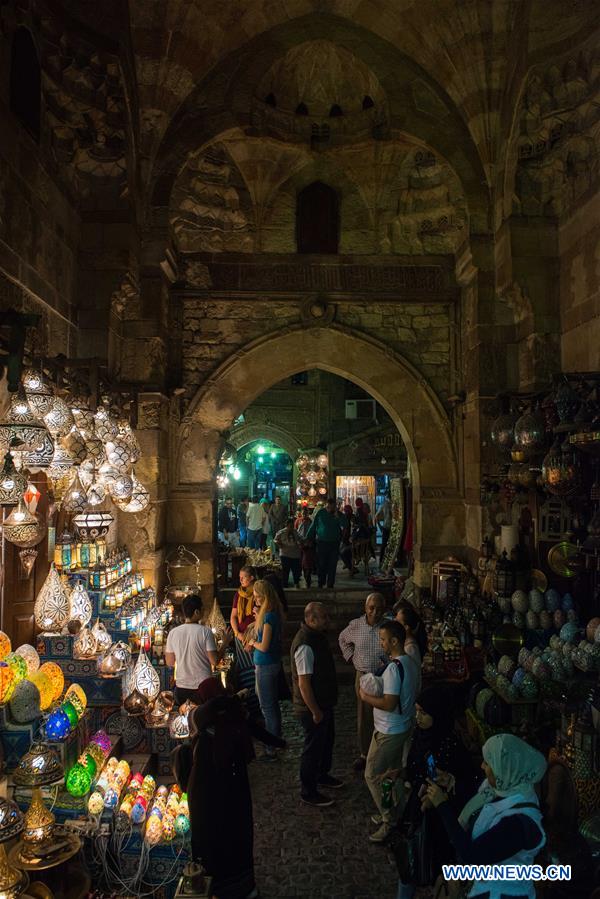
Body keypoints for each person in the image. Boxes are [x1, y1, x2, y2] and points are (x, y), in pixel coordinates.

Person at [187, 678, 285, 899]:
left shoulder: (206, 723)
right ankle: (244, 887)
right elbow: (258, 732)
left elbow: (195, 716)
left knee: (215, 840)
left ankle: (217, 888)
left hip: (209, 795)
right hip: (236, 791)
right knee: (238, 837)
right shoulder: (234, 718)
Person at [426, 733, 547, 899]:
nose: (482, 766)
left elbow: (472, 855)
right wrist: (450, 783)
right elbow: (477, 810)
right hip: (485, 887)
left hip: (504, 894)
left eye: (488, 763)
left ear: (505, 769)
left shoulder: (519, 822)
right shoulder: (501, 788)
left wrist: (442, 806)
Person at [394, 685, 480, 899]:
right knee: (410, 866)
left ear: (438, 714)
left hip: (441, 820)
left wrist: (446, 788)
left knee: (437, 869)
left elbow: (466, 785)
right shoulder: (421, 735)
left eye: (423, 713)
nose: (418, 717)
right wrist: (400, 773)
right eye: (416, 711)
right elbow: (418, 768)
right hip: (419, 810)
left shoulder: (451, 746)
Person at [360, 619, 418, 843]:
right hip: (401, 726)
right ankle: (399, 811)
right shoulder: (410, 662)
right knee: (391, 775)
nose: (381, 643)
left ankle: (389, 820)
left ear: (394, 641)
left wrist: (365, 697)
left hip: (389, 730)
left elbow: (389, 703)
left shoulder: (394, 669)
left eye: (383, 639)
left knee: (372, 774)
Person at [290, 601, 343, 807]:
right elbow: (304, 683)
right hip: (313, 708)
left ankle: (322, 774)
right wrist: (315, 711)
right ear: (311, 620)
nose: (327, 620)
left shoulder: (315, 637)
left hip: (323, 702)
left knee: (326, 741)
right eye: (324, 617)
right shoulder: (305, 644)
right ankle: (308, 790)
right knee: (312, 749)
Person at [338, 593, 387, 771]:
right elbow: (342, 639)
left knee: (383, 714)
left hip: (384, 676)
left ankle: (381, 752)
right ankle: (365, 753)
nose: (375, 612)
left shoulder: (388, 626)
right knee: (364, 716)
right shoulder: (356, 625)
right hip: (364, 676)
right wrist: (351, 658)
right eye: (371, 608)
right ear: (365, 608)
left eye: (379, 609)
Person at [165, 594, 231, 705]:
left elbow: (170, 662)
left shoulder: (173, 633)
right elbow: (214, 661)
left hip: (182, 689)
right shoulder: (205, 632)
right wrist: (225, 643)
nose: (204, 611)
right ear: (196, 612)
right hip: (203, 688)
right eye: (203, 609)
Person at [245, 579, 284, 758]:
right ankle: (275, 739)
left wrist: (253, 642)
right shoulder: (270, 614)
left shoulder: (268, 617)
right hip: (269, 664)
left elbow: (265, 645)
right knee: (271, 705)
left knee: (267, 706)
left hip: (266, 665)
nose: (255, 599)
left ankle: (271, 746)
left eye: (257, 596)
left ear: (264, 596)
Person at [229, 566, 260, 714]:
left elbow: (260, 619)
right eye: (240, 577)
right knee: (244, 671)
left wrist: (250, 637)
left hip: (254, 637)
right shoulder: (238, 595)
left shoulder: (258, 593)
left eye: (244, 577)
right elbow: (233, 616)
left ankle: (258, 704)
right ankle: (250, 704)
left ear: (252, 578)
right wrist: (237, 633)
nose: (240, 580)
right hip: (241, 638)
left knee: (255, 671)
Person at [306, 497, 345, 589]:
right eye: (329, 507)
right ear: (326, 506)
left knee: (332, 564)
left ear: (335, 507)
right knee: (321, 563)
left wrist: (337, 515)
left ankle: (330, 584)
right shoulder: (321, 513)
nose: (330, 509)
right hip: (322, 543)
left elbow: (345, 524)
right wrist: (308, 538)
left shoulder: (338, 514)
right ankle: (321, 582)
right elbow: (314, 526)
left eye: (332, 507)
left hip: (334, 543)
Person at [274, 517, 303, 588]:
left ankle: (296, 583)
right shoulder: (281, 532)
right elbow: (275, 540)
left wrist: (301, 543)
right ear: (286, 525)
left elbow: (301, 539)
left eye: (292, 526)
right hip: (285, 554)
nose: (291, 528)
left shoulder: (296, 532)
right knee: (285, 572)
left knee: (296, 571)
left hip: (295, 555)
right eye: (289, 526)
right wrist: (278, 543)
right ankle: (285, 585)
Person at [296, 507, 315, 587]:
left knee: (307, 563)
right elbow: (295, 531)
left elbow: (313, 533)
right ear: (301, 513)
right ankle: (301, 576)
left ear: (308, 514)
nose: (304, 515)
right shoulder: (298, 521)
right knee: (300, 562)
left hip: (308, 545)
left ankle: (308, 579)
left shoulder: (311, 522)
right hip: (300, 545)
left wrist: (310, 542)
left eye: (306, 513)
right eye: (303, 513)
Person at [375, 494, 393, 567]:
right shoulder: (388, 505)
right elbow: (377, 517)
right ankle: (384, 561)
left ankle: (382, 561)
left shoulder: (384, 504)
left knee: (384, 545)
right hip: (388, 527)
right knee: (387, 545)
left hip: (386, 527)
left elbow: (376, 517)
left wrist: (380, 527)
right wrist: (380, 527)